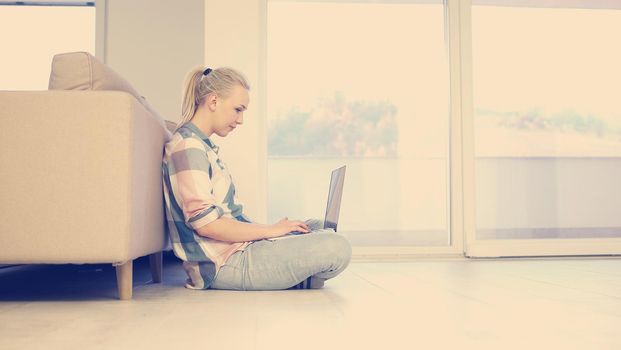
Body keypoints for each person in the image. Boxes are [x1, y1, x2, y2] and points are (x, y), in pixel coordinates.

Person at [161, 66, 352, 290]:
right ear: (213, 101)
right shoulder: (188, 147)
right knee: (337, 247)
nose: (240, 120)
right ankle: (297, 277)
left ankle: (294, 275)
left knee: (317, 226)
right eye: (237, 109)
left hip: (237, 249)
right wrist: (271, 231)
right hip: (222, 264)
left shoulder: (201, 145)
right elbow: (207, 226)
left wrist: (273, 232)